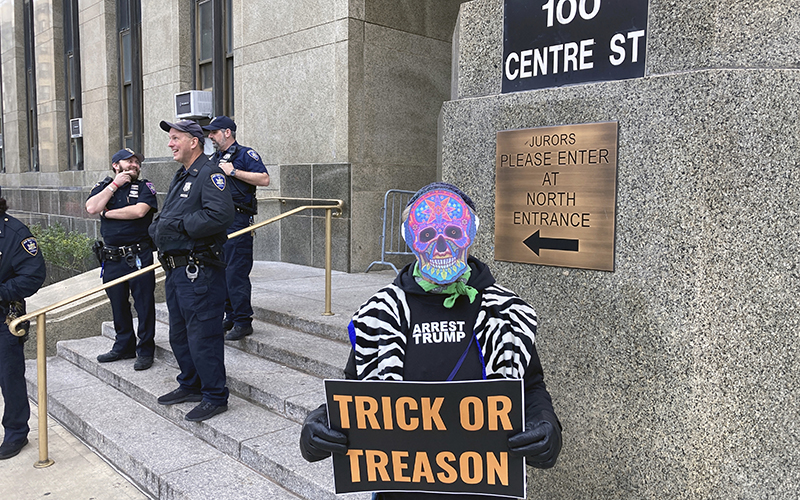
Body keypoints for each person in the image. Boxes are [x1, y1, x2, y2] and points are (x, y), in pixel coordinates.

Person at [299, 183, 562, 499]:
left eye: (452, 232)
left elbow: (530, 385)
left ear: (470, 233)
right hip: (401, 490)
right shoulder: (380, 314)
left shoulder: (505, 312)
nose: (440, 247)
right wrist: (321, 421)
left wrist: (546, 424)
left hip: (486, 491)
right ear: (411, 240)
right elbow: (356, 391)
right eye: (426, 235)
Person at [149, 119, 234, 422]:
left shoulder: (210, 174)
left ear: (193, 142)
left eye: (175, 138)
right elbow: (169, 213)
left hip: (199, 271)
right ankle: (191, 384)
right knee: (180, 334)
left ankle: (215, 395)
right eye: (170, 139)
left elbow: (221, 214)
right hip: (176, 271)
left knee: (203, 335)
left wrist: (179, 227)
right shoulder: (182, 175)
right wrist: (158, 227)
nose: (170, 143)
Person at [85, 148, 158, 371]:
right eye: (129, 161)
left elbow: (138, 212)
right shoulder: (104, 187)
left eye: (137, 162)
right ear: (116, 165)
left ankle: (145, 348)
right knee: (118, 304)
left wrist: (107, 213)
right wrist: (114, 186)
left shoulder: (145, 187)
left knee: (144, 305)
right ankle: (124, 344)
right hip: (112, 258)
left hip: (138, 255)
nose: (134, 165)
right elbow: (91, 207)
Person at [202, 116, 270, 341]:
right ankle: (230, 315)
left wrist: (234, 172)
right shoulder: (214, 158)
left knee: (235, 273)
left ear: (227, 132)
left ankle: (243, 321)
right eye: (209, 133)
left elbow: (264, 179)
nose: (210, 136)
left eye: (213, 132)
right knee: (221, 272)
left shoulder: (245, 154)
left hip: (238, 220)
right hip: (218, 222)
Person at [0, 187, 46, 459]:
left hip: (5, 317)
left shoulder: (15, 233)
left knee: (10, 378)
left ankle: (16, 433)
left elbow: (33, 275)